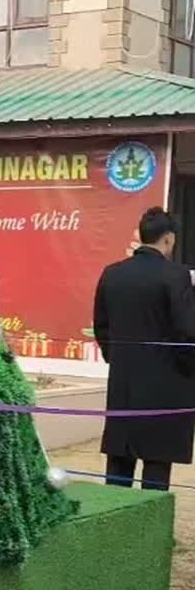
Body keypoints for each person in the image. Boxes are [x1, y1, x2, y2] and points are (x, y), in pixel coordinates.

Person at [94, 207, 195, 492]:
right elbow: (187, 331)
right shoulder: (177, 276)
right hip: (167, 387)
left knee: (118, 464)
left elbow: (101, 326)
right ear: (169, 239)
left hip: (123, 383)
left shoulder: (112, 274)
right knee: (156, 465)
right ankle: (149, 527)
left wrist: (119, 359)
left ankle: (112, 521)